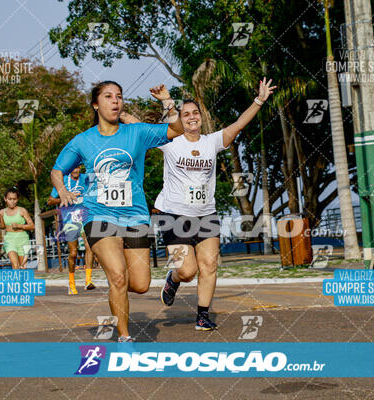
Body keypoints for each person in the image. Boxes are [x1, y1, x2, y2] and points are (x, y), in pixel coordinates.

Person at [51, 81, 184, 342]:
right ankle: (124, 338)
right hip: (99, 215)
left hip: (134, 216)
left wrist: (167, 102)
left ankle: (117, 289)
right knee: (119, 278)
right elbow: (57, 170)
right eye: (109, 96)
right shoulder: (83, 141)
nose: (115, 101)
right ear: (96, 104)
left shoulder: (136, 133)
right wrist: (63, 191)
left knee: (141, 285)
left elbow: (177, 129)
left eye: (119, 97)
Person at [154, 77, 276, 330]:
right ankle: (173, 279)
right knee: (187, 271)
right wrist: (122, 114)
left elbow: (239, 124)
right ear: (180, 118)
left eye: (195, 112)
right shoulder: (169, 142)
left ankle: (202, 315)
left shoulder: (212, 141)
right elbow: (137, 127)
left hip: (206, 215)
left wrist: (259, 100)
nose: (191, 117)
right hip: (174, 216)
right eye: (185, 114)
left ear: (201, 117)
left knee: (209, 265)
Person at [48, 166, 96, 294]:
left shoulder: (86, 178)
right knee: (73, 253)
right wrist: (66, 197)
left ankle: (88, 281)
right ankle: (71, 283)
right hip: (70, 219)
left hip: (85, 215)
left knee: (89, 246)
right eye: (73, 168)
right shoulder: (62, 181)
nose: (76, 170)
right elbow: (50, 200)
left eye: (78, 167)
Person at [0, 188, 35, 269]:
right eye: (9, 199)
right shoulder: (2, 212)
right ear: (5, 199)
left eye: (14, 199)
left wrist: (20, 226)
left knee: (23, 266)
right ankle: (15, 281)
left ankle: (22, 281)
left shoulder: (22, 210)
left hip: (22, 239)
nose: (12, 201)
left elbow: (32, 226)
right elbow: (3, 226)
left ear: (17, 199)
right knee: (15, 265)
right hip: (9, 239)